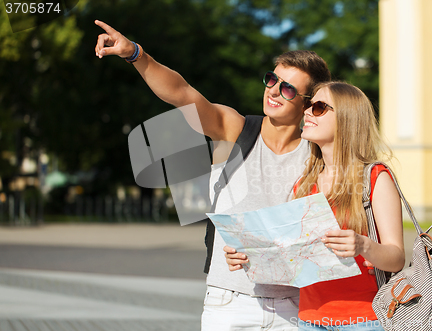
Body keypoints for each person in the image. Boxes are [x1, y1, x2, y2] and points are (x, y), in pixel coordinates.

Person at [94, 20, 331, 330]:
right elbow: (181, 93)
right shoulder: (235, 129)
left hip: (294, 308)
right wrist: (136, 53)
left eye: (287, 89)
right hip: (229, 304)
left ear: (307, 103)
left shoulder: (319, 154)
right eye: (272, 79)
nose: (273, 91)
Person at [225, 81, 405, 331]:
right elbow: (292, 258)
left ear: (347, 118)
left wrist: (364, 245)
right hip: (310, 320)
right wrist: (248, 255)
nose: (307, 111)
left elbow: (396, 258)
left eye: (319, 107)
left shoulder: (374, 177)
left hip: (365, 320)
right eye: (309, 105)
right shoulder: (304, 182)